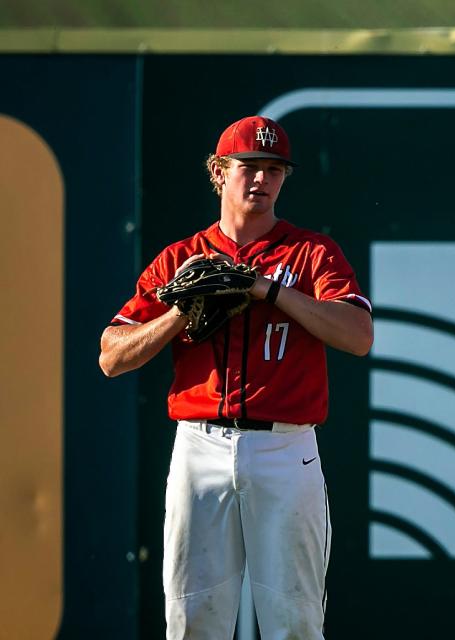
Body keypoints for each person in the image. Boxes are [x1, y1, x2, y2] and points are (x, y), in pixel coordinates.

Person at [99, 115, 373, 639]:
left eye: (274, 170)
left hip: (286, 448)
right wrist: (181, 311)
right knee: (192, 618)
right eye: (249, 167)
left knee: (293, 622)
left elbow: (358, 335)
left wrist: (265, 289)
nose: (261, 180)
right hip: (199, 447)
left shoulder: (313, 254)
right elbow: (112, 356)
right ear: (219, 172)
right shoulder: (181, 260)